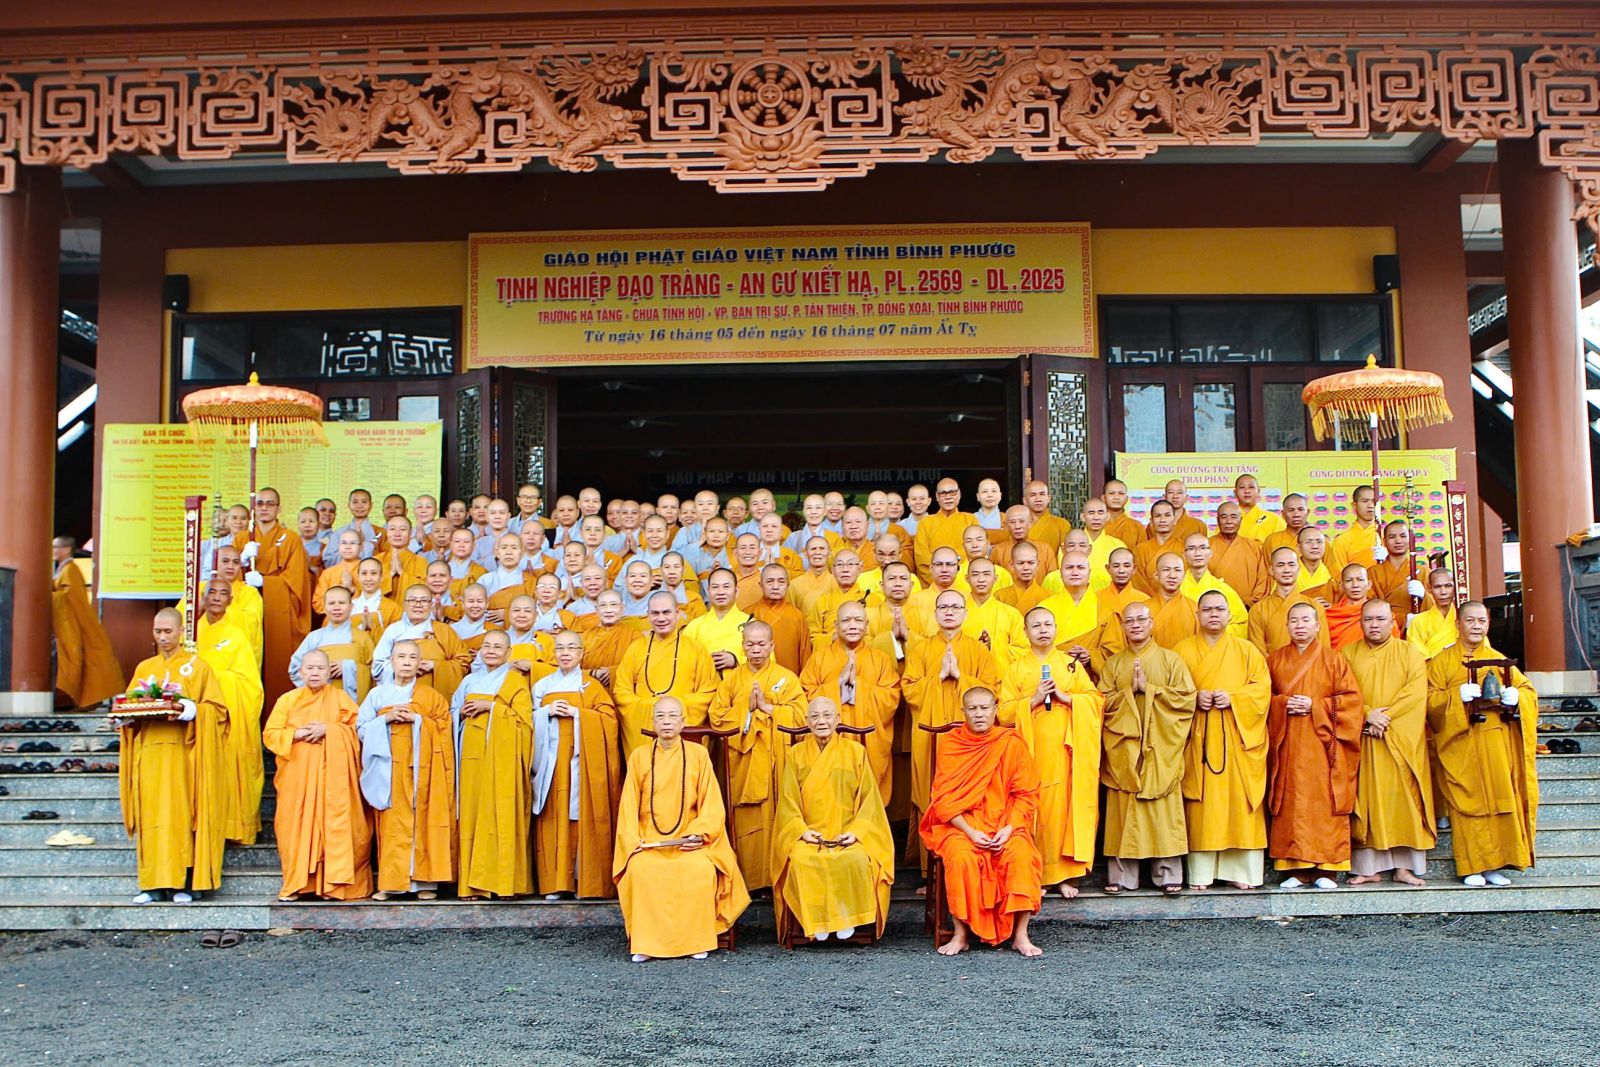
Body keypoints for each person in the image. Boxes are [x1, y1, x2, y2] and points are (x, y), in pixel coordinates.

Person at [614, 696, 750, 962]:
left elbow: (711, 803)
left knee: (699, 869)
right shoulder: (639, 756)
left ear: (683, 722)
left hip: (690, 841)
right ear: (653, 722)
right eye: (661, 716)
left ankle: (696, 941)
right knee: (640, 869)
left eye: (672, 716)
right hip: (650, 841)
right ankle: (646, 944)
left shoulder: (698, 754)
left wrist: (699, 834)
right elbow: (628, 806)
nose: (666, 722)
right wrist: (634, 841)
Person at [920, 685, 1043, 956]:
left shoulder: (1010, 743)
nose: (979, 714)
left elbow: (1026, 793)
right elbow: (943, 799)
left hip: (1005, 822)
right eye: (972, 709)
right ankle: (961, 934)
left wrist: (1009, 828)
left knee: (1021, 856)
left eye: (984, 708)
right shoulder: (952, 744)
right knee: (961, 858)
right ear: (963, 712)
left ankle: (1021, 935)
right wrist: (970, 832)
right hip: (961, 825)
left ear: (995, 710)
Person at [117, 608, 229, 904]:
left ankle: (184, 884)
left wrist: (191, 709)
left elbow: (218, 712)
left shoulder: (198, 667)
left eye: (168, 631)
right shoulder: (145, 668)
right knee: (151, 819)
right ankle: (152, 885)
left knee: (181, 818)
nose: (163, 637)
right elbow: (131, 704)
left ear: (182, 632)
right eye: (158, 632)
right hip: (150, 755)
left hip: (184, 755)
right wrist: (125, 717)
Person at [1425, 601, 1539, 887]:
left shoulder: (1498, 659)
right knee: (1470, 805)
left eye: (1482, 621)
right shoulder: (1441, 662)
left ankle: (1495, 865)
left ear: (1488, 625)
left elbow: (1527, 691)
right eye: (1470, 620)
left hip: (1495, 743)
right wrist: (1456, 697)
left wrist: (1518, 698)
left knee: (1501, 801)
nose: (1476, 626)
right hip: (1460, 745)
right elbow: (1428, 701)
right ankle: (1472, 867)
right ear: (1457, 624)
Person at [998, 607, 1104, 897]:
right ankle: (1038, 874)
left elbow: (1095, 701)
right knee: (1035, 808)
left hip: (1066, 751)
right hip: (1028, 750)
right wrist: (1032, 700)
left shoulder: (1071, 666)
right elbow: (1003, 712)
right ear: (1025, 632)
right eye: (1036, 625)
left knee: (1064, 809)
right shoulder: (1016, 668)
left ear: (1056, 629)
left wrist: (1067, 698)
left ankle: (1065, 875)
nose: (1042, 630)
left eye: (1048, 624)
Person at [771, 696, 894, 943]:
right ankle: (818, 920)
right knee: (801, 859)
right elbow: (787, 801)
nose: (821, 721)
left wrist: (856, 832)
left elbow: (870, 801)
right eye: (815, 716)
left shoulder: (855, 752)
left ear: (838, 719)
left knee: (856, 858)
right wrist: (802, 831)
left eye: (827, 715)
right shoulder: (795, 755)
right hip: (810, 836)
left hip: (846, 833)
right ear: (807, 721)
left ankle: (846, 917)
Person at [1098, 602, 1198, 894]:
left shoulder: (1171, 660)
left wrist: (1151, 691)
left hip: (1161, 747)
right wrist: (1129, 692)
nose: (1136, 625)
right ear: (1123, 627)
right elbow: (1100, 703)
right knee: (1123, 810)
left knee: (1162, 810)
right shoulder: (1113, 664)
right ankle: (1121, 877)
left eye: (1141, 619)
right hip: (1124, 749)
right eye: (1129, 621)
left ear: (1151, 623)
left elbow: (1186, 700)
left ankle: (1168, 875)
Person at [1173, 592, 1270, 891]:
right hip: (1199, 737)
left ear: (1229, 615)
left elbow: (1262, 689)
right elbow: (1170, 693)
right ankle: (1201, 873)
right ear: (1197, 615)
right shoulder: (1181, 651)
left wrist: (1235, 698)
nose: (1213, 614)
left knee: (1239, 804)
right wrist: (1193, 698)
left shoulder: (1247, 650)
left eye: (1219, 609)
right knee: (1204, 807)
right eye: (1207, 610)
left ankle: (1241, 871)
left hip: (1238, 737)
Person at [1266, 603, 1363, 889]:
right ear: (1286, 626)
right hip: (1288, 743)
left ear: (1318, 625)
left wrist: (1315, 706)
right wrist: (1282, 704)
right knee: (1292, 802)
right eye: (1294, 621)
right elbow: (1261, 698)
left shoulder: (1334, 660)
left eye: (1306, 620)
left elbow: (1352, 702)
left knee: (1325, 802)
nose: (1300, 625)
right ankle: (1295, 869)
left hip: (1323, 746)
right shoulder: (1275, 660)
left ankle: (1327, 869)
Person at [263, 649, 372, 901]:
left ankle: (331, 886)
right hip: (297, 779)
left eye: (320, 668)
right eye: (310, 668)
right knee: (293, 829)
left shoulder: (341, 698)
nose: (315, 673)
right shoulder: (287, 700)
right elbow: (270, 735)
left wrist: (329, 730)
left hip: (333, 781)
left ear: (329, 672)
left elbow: (357, 730)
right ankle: (297, 885)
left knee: (333, 828)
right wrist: (297, 734)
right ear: (300, 672)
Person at [903, 591, 1002, 864]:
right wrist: (938, 678)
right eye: (943, 607)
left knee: (969, 798)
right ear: (935, 613)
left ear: (965, 613)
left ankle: (970, 863)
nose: (949, 611)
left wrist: (960, 677)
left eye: (956, 607)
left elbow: (992, 691)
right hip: (928, 733)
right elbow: (908, 690)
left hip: (971, 740)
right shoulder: (920, 650)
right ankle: (930, 870)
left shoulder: (979, 651)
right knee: (928, 793)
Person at [1342, 600, 1435, 886]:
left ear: (1392, 621)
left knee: (1403, 802)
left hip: (1400, 740)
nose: (1374, 625)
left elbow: (1416, 693)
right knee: (1367, 804)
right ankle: (1368, 868)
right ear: (1360, 622)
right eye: (1368, 619)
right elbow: (1341, 694)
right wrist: (1366, 715)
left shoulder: (1409, 653)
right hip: (1363, 739)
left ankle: (1404, 867)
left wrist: (1384, 719)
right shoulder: (1346, 654)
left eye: (1380, 619)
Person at [709, 620, 807, 890]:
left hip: (777, 762)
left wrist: (768, 708)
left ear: (772, 646)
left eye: (762, 644)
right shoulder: (731, 681)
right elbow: (717, 717)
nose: (756, 649)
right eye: (750, 644)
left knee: (778, 817)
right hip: (744, 762)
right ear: (742, 647)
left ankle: (780, 877)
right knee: (748, 820)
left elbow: (801, 717)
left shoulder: (787, 678)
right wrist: (747, 712)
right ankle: (748, 881)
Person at [356, 639, 455, 901]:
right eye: (401, 657)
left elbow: (444, 729)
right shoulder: (377, 695)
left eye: (412, 657)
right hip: (389, 767)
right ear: (391, 661)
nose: (407, 662)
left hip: (423, 767)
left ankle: (425, 883)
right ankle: (391, 884)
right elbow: (361, 728)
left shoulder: (431, 696)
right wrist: (385, 719)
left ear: (420, 663)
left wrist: (418, 720)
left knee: (423, 820)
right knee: (392, 824)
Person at [530, 631, 622, 899]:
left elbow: (609, 720)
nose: (565, 653)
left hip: (582, 762)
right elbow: (527, 720)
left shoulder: (591, 686)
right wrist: (545, 712)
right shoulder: (542, 686)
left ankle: (584, 882)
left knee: (580, 817)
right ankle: (555, 883)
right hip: (550, 762)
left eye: (571, 648)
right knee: (552, 817)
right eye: (560, 648)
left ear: (582, 653)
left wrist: (578, 714)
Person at [450, 630, 535, 899]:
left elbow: (525, 722)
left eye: (498, 647)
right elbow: (452, 712)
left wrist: (491, 708)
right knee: (473, 813)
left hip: (503, 760)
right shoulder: (469, 681)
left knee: (501, 812)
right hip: (471, 756)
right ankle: (472, 885)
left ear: (509, 653)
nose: (491, 651)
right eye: (486, 646)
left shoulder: (515, 681)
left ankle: (504, 883)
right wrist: (459, 713)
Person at [799, 600, 901, 799]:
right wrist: (837, 685)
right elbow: (805, 696)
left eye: (858, 620)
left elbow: (891, 698)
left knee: (866, 795)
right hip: (829, 740)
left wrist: (858, 687)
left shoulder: (880, 659)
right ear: (836, 626)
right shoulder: (819, 658)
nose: (852, 625)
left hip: (868, 741)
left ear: (867, 625)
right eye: (846, 620)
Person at [194, 578, 265, 845]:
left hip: (230, 716)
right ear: (203, 597)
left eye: (223, 593)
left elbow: (250, 684)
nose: (216, 597)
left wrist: (213, 677)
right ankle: (203, 826)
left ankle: (235, 829)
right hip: (199, 715)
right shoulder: (191, 634)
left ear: (230, 601)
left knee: (233, 768)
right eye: (211, 592)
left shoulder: (236, 636)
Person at [613, 591, 719, 753]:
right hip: (645, 730)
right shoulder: (636, 649)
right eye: (655, 613)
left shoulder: (696, 649)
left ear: (677, 613)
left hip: (684, 731)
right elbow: (621, 692)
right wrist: (650, 707)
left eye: (666, 612)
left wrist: (673, 707)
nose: (661, 618)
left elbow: (708, 692)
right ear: (648, 615)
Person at [243, 487, 313, 706]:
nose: (264, 508)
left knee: (276, 669)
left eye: (270, 504)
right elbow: (227, 581)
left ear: (279, 508)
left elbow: (296, 581)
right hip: (247, 612)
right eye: (260, 503)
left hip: (278, 612)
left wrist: (266, 583)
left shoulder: (291, 539)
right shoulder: (243, 538)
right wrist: (241, 560)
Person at [50, 536, 126, 708]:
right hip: (68, 622)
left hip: (76, 622)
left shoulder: (70, 570)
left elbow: (72, 597)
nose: (53, 551)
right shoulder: (62, 569)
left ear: (67, 549)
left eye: (56, 547)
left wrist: (50, 595)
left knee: (81, 658)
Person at [289, 585, 375, 702]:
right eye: (331, 603)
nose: (336, 607)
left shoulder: (363, 637)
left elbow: (375, 673)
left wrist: (349, 668)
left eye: (342, 603)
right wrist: (318, 677)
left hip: (353, 705)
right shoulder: (314, 638)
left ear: (351, 607)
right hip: (321, 703)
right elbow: (295, 669)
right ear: (324, 607)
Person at [1247, 547, 1327, 654]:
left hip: (1310, 664)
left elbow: (1323, 651)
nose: (1286, 570)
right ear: (1271, 570)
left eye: (1291, 564)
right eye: (1280, 565)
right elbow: (1257, 654)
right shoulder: (1258, 610)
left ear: (1299, 569)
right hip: (1271, 664)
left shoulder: (1315, 607)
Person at [961, 558, 1028, 671]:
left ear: (995, 579)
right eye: (975, 575)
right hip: (964, 676)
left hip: (1000, 678)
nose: (981, 579)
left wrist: (993, 648)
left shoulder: (1011, 614)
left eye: (986, 574)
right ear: (967, 579)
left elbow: (1023, 651)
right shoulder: (956, 613)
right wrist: (974, 649)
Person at [1179, 534, 1248, 639]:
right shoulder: (1176, 588)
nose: (1197, 553)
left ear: (1210, 553)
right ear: (1184, 555)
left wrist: (1215, 632)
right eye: (1192, 548)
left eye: (1202, 548)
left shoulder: (1223, 589)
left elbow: (1242, 624)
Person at [684, 568, 753, 671]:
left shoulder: (750, 624)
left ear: (736, 591)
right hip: (705, 680)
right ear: (708, 592)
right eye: (715, 587)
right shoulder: (694, 626)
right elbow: (682, 661)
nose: (720, 592)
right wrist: (705, 662)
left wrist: (736, 660)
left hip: (740, 681)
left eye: (726, 587)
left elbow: (765, 661)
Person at [749, 564, 811, 673]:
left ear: (788, 585)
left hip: (789, 680)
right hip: (755, 679)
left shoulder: (797, 616)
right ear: (761, 585)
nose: (775, 587)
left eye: (781, 582)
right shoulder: (748, 614)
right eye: (770, 582)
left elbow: (805, 655)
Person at [913, 478, 976, 583]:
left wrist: (959, 581)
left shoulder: (970, 520)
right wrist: (940, 581)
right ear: (937, 497)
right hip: (933, 583)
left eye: (952, 492)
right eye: (943, 493)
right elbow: (922, 557)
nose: (948, 497)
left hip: (965, 582)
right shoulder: (925, 522)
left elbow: (976, 552)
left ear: (959, 494)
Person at [1324, 563, 1398, 650]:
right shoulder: (1330, 614)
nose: (1355, 585)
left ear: (1369, 584)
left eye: (1360, 579)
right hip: (1338, 658)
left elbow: (1393, 648)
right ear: (1342, 585)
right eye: (1349, 580)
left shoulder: (1383, 615)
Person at [1208, 502, 1269, 606]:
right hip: (1215, 607)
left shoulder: (1254, 547)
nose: (1229, 521)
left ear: (1240, 520)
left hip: (1248, 607)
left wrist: (1250, 601)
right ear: (1217, 520)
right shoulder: (1206, 546)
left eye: (1233, 517)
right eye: (1224, 517)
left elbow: (1263, 580)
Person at [580, 590, 642, 687]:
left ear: (622, 608)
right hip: (589, 690)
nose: (608, 610)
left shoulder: (634, 636)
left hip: (621, 690)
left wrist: (614, 672)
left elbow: (641, 667)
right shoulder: (584, 637)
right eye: (603, 605)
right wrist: (592, 673)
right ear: (596, 609)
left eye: (613, 605)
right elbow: (570, 670)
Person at [1147, 553, 1198, 648]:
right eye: (1166, 570)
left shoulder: (1195, 608)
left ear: (1184, 576)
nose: (1172, 575)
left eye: (1177, 570)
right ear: (1156, 575)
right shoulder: (1143, 609)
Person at [1132, 500, 1185, 593]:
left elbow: (1187, 580)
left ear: (1175, 520)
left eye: (1167, 515)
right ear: (1151, 521)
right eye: (1158, 516)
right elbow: (1138, 583)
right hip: (1148, 600)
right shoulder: (1140, 550)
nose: (1162, 520)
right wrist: (1157, 600)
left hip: (1178, 599)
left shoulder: (1184, 548)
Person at [1407, 567, 1460, 659]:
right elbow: (1415, 652)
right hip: (1430, 667)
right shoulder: (1418, 621)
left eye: (1448, 586)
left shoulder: (1463, 617)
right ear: (1429, 588)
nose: (1443, 592)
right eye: (1437, 587)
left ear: (1455, 587)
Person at [1328, 485, 1381, 575]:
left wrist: (1388, 558)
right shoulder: (1342, 541)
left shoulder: (1384, 536)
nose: (1370, 505)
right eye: (1365, 501)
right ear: (1354, 505)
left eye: (1374, 501)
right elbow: (1339, 575)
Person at [375, 515, 428, 601]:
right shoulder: (376, 561)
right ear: (387, 532)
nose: (397, 534)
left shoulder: (421, 562)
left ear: (410, 533)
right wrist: (390, 574)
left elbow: (425, 590)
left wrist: (401, 572)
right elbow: (367, 589)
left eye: (402, 529)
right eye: (392, 529)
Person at [996, 540, 1050, 616]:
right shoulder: (1000, 596)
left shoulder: (1049, 597)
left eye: (1031, 563)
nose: (1026, 568)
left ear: (1038, 565)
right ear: (1012, 565)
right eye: (1020, 563)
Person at [1022, 479, 1071, 563]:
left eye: (1042, 494)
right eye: (1033, 495)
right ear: (1025, 501)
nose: (1038, 499)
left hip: (1052, 570)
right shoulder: (1018, 525)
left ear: (1049, 498)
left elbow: (1066, 554)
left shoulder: (1062, 524)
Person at [1151, 480, 1207, 544]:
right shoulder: (1153, 525)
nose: (1175, 496)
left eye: (1180, 492)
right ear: (1164, 497)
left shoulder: (1198, 525)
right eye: (1170, 492)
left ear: (1186, 498)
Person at [1231, 475, 1284, 542]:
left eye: (1251, 487)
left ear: (1258, 491)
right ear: (1235, 492)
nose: (1247, 491)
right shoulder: (1226, 520)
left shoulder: (1274, 520)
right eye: (1242, 487)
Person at [1262, 493, 1311, 559]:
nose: (1296, 515)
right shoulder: (1272, 540)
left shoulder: (1318, 540)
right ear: (1283, 514)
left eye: (1300, 509)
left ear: (1307, 512)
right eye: (1291, 510)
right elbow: (1266, 565)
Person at [1101, 478, 1146, 548]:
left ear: (1126, 499)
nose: (1116, 497)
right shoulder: (1097, 524)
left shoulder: (1137, 526)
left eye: (1121, 493)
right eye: (1111, 493)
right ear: (1104, 498)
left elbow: (1143, 552)